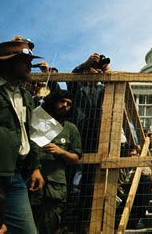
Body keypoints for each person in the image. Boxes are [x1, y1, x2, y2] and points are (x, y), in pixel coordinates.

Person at [0, 38, 44, 233]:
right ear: (8, 62)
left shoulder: (25, 97)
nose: (30, 65)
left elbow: (29, 134)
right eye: (24, 61)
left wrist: (36, 167)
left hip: (16, 174)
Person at [67, 52, 110, 232]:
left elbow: (114, 89)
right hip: (78, 134)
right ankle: (67, 216)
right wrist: (85, 64)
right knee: (71, 175)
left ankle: (83, 221)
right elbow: (70, 79)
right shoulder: (78, 86)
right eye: (93, 67)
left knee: (89, 181)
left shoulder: (102, 89)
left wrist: (107, 72)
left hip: (95, 136)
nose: (95, 71)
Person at [29, 90, 82, 234]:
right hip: (30, 181)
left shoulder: (70, 129)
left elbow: (76, 158)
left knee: (49, 226)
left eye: (69, 104)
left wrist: (62, 152)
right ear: (54, 102)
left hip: (54, 188)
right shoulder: (36, 121)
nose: (64, 105)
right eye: (62, 101)